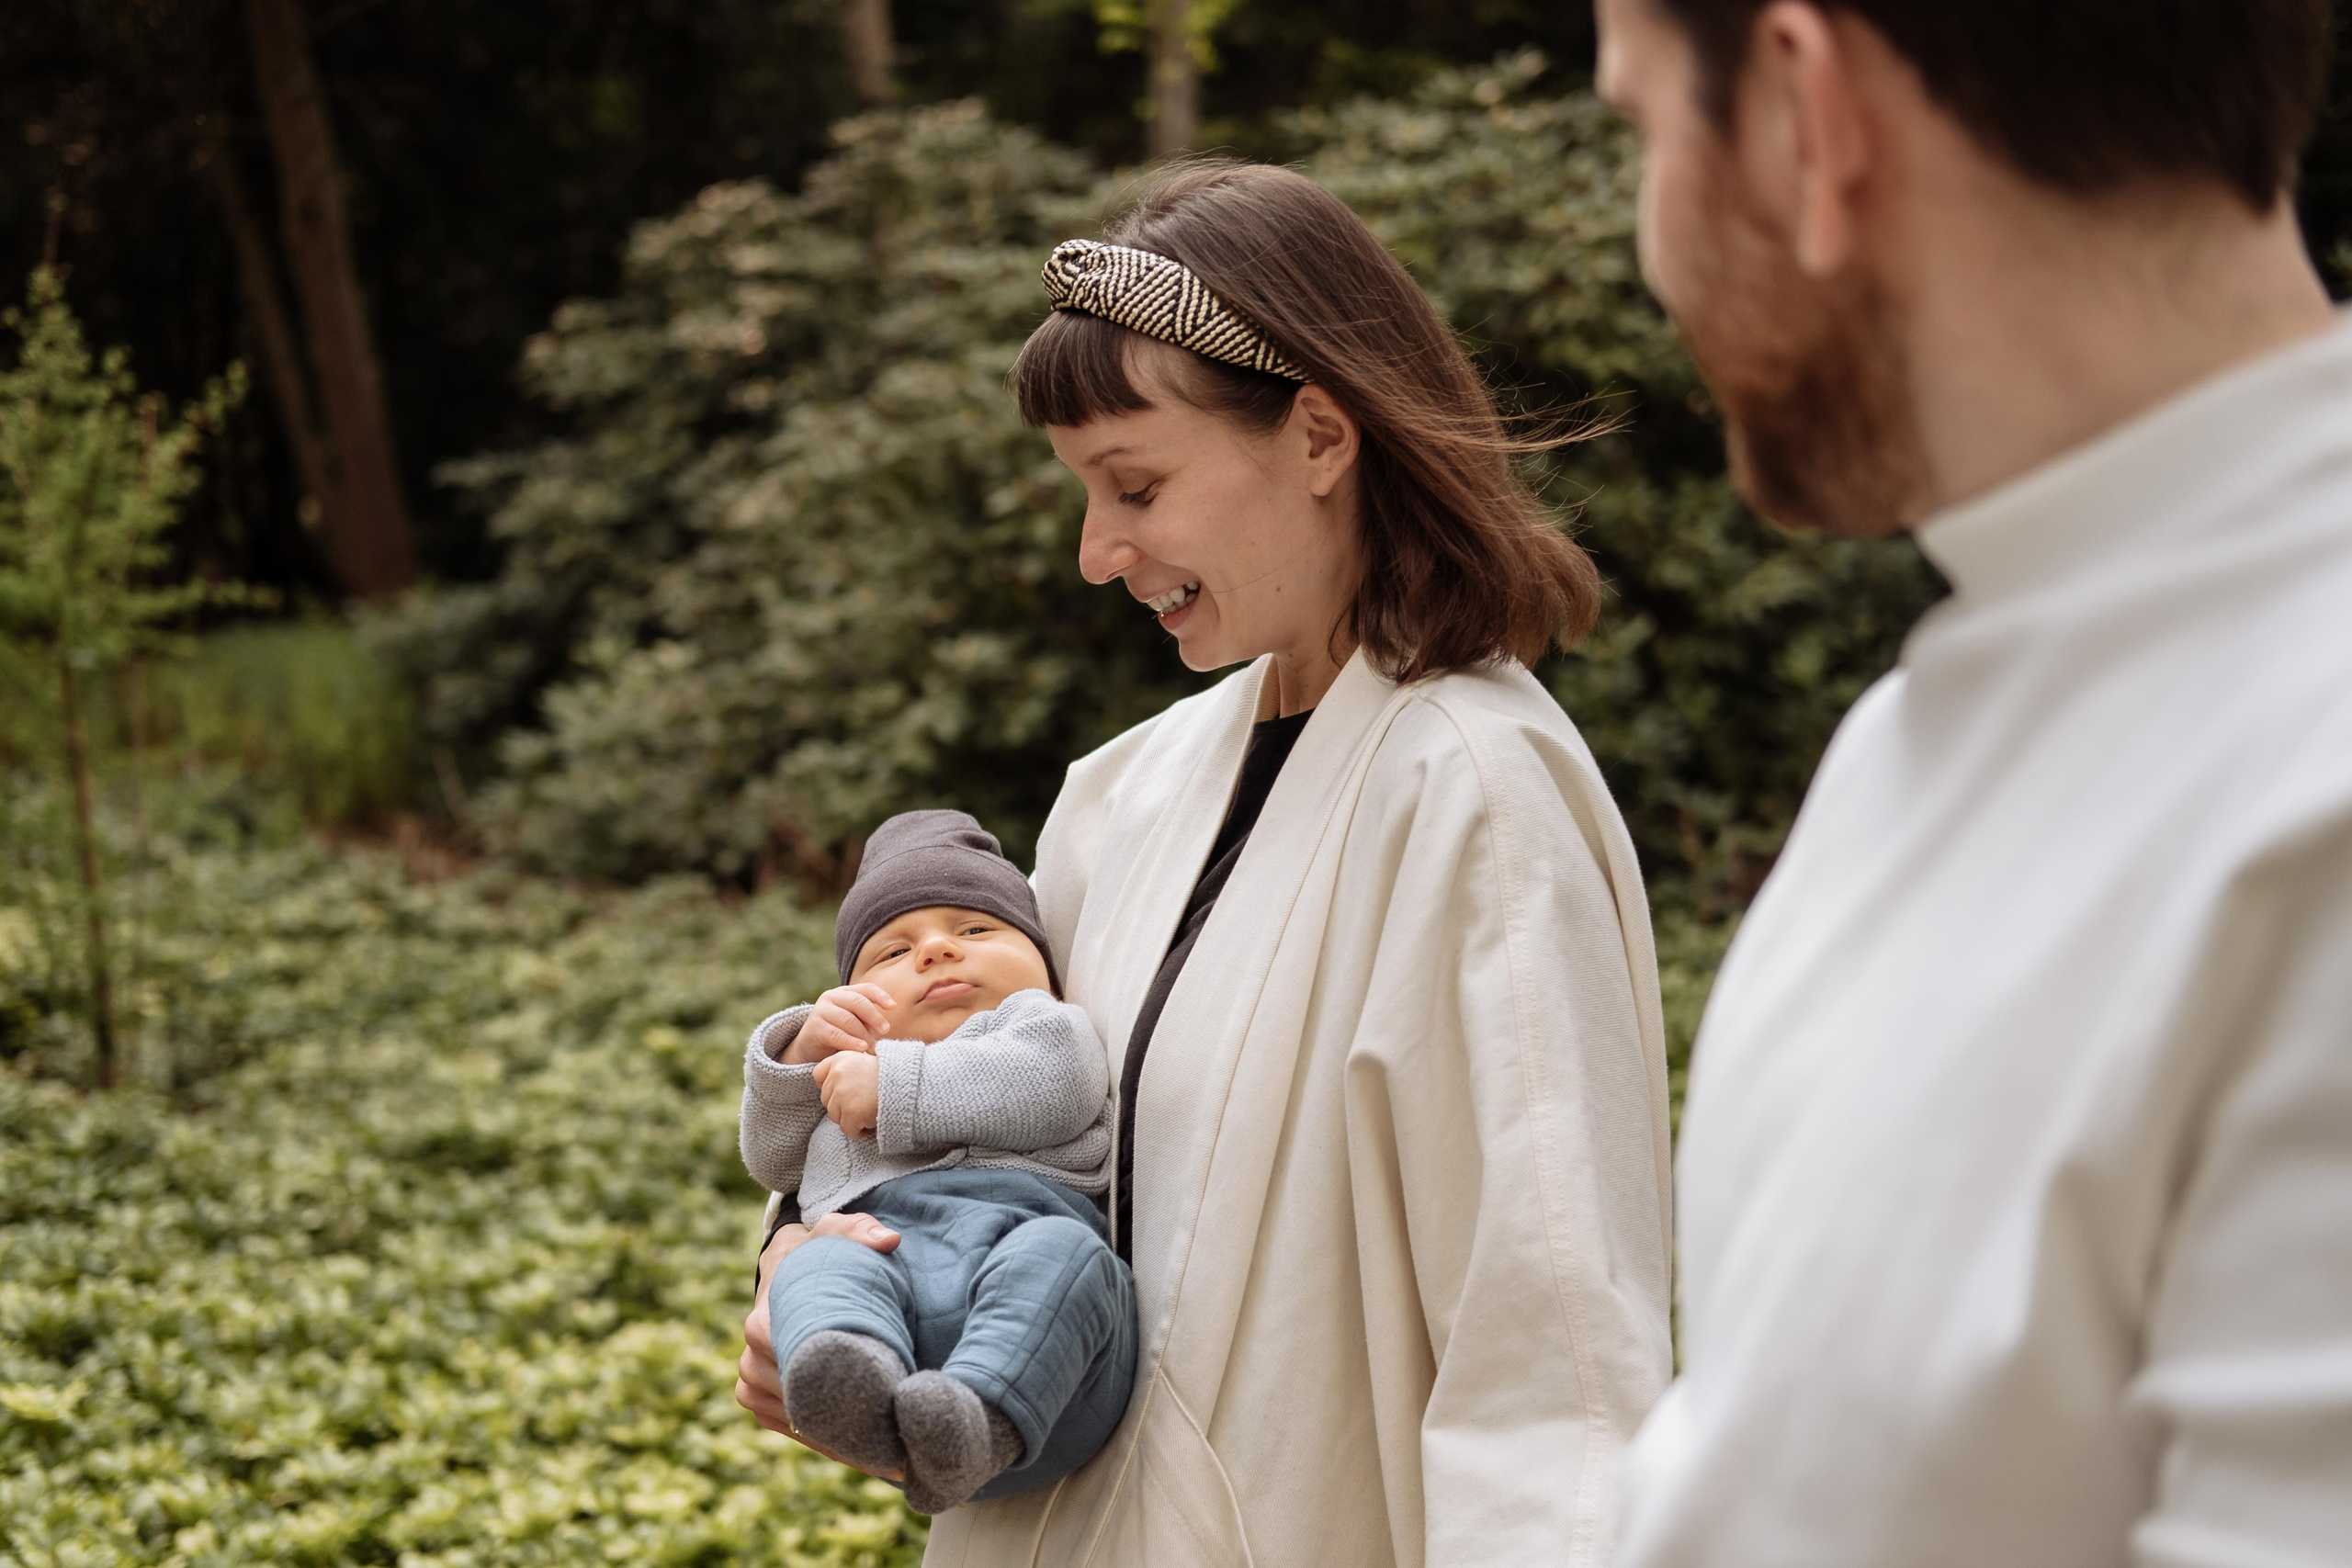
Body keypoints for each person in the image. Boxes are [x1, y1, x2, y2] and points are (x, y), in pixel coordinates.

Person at [739, 161, 1677, 1566]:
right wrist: (801, 1259)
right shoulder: (1122, 793)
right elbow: (988, 1131)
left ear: (1316, 433)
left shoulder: (1476, 796)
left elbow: (1554, 1362)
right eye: (1083, 493)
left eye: (1135, 484)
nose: (1095, 551)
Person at [1592, 2, 2352, 1564]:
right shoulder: (1902, 741)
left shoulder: (2314, 797)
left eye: (1641, 129)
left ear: (1813, 117)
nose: (1649, 241)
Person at [737, 809, 1135, 1516]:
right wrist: (804, 1056)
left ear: (1044, 960)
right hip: (893, 1298)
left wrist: (894, 1087)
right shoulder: (844, 1063)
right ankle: (851, 1375)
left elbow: (1057, 1083)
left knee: (1065, 1254)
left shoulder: (1041, 1025)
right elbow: (772, 1160)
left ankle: (980, 1416)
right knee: (822, 1263)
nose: (936, 951)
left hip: (1043, 1346)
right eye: (891, 952)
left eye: (976, 929)